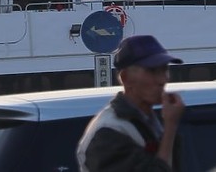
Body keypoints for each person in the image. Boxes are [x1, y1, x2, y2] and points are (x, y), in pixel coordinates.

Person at [76, 35, 185, 171]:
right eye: (152, 71)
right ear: (126, 78)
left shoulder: (150, 120)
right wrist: (171, 127)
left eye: (164, 69)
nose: (162, 80)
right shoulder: (108, 131)